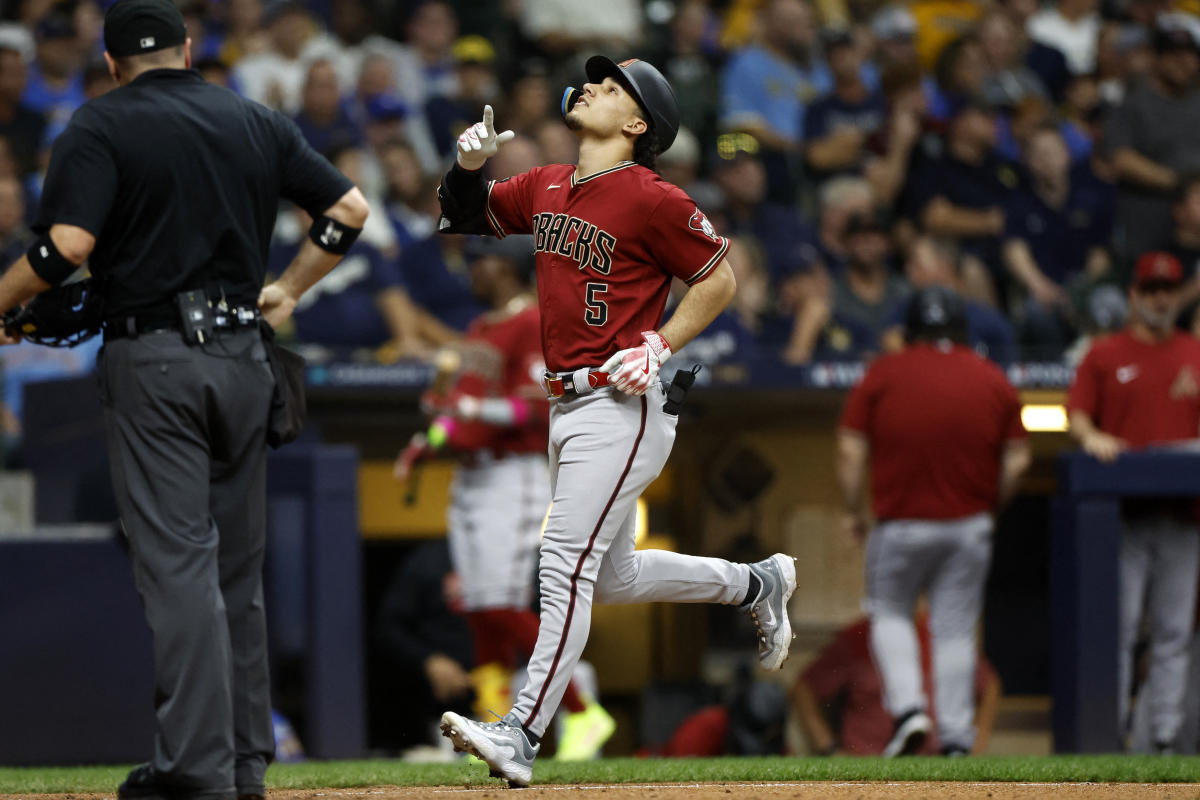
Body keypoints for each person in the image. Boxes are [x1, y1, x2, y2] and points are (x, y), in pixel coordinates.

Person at [0, 2, 370, 798]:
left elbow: (66, 249)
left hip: (157, 358)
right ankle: (240, 766)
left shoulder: (98, 126)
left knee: (178, 565)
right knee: (236, 569)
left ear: (110, 63)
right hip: (245, 358)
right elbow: (347, 212)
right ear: (189, 49)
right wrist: (288, 290)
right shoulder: (255, 119)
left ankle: (194, 770)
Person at [434, 56, 797, 787]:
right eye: (594, 80)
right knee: (612, 577)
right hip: (564, 404)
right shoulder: (547, 183)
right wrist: (467, 168)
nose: (593, 85)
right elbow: (464, 217)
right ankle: (755, 583)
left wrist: (662, 341)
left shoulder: (653, 196)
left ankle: (523, 731)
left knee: (562, 564)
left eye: (613, 86)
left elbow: (721, 277)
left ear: (637, 125)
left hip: (620, 401)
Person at [394, 235, 616, 760]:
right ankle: (495, 722)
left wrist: (466, 414)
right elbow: (456, 413)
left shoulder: (532, 323)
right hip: (471, 476)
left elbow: (536, 410)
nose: (473, 269)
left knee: (499, 602)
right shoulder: (478, 330)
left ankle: (585, 712)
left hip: (513, 475)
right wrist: (431, 439)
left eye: (483, 261)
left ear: (510, 270)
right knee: (477, 609)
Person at [837, 287, 1030, 756]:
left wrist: (852, 510)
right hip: (969, 526)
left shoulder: (884, 372)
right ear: (961, 331)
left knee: (890, 612)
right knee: (955, 629)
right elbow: (1020, 460)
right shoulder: (992, 378)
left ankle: (909, 713)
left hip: (901, 524)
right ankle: (959, 738)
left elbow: (849, 448)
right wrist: (989, 506)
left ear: (911, 330)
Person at [1065, 251, 1200, 753]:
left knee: (1173, 632)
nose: (1160, 299)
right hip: (1122, 519)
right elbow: (1075, 416)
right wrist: (1093, 436)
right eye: (1151, 290)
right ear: (1134, 295)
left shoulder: (1194, 352)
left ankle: (1163, 735)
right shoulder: (1105, 353)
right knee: (1116, 631)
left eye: (1168, 290)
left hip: (1183, 518)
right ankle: (1111, 733)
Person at [792, 614, 1002, 755]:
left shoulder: (939, 634)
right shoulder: (858, 636)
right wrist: (828, 747)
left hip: (931, 763)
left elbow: (989, 684)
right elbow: (805, 687)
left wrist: (976, 744)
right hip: (866, 760)